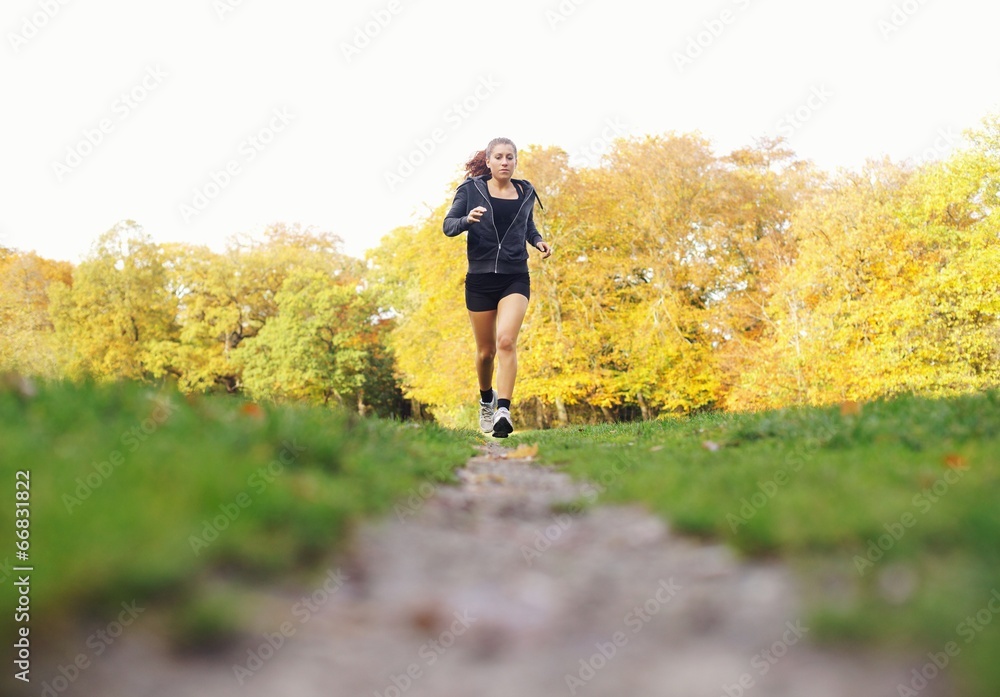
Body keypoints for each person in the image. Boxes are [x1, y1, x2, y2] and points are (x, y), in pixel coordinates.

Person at [443, 137, 552, 437]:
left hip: (515, 275)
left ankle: (504, 409)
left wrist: (538, 240)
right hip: (479, 279)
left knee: (506, 341)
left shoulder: (526, 191)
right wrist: (467, 219)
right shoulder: (470, 190)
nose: (505, 162)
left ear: (516, 162)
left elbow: (527, 226)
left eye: (510, 157)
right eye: (499, 157)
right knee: (485, 352)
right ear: (488, 162)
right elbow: (448, 225)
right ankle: (487, 400)